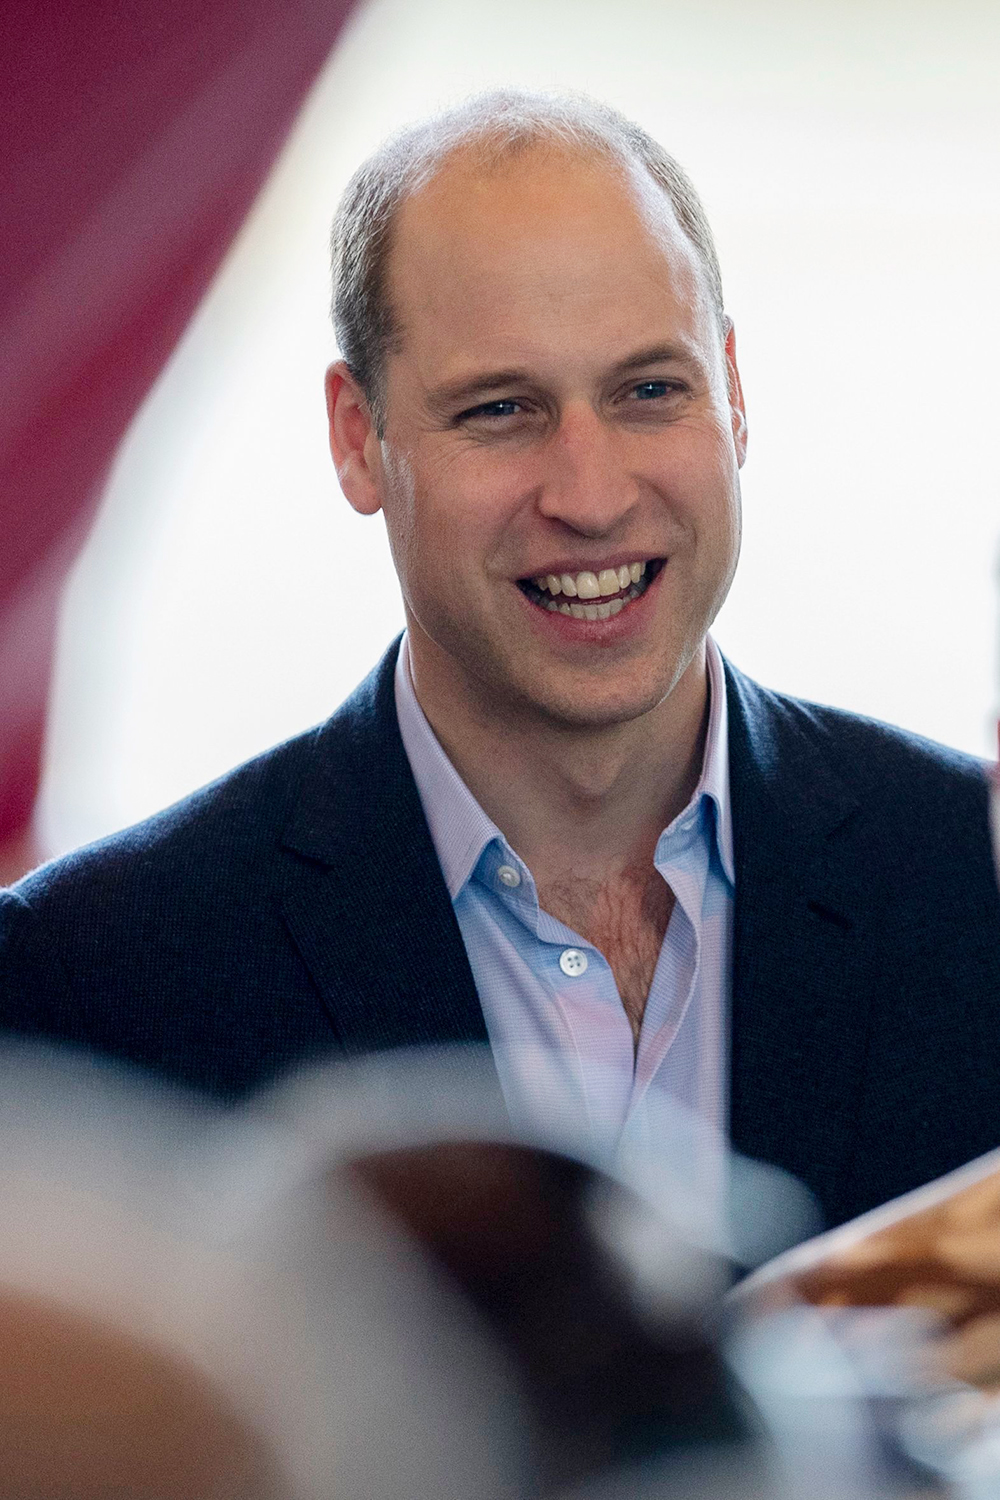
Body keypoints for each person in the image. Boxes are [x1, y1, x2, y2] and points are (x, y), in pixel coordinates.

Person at [1, 90, 998, 1233]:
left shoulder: (979, 882)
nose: (590, 495)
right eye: (501, 410)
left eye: (649, 392)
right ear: (355, 437)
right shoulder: (85, 987)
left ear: (733, 394)